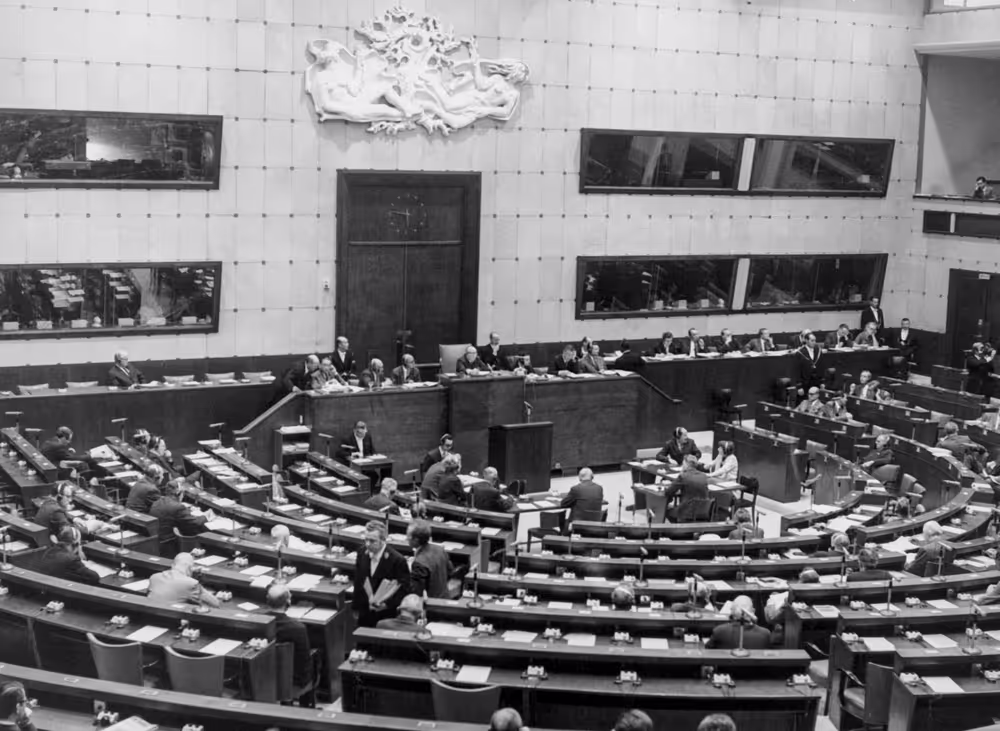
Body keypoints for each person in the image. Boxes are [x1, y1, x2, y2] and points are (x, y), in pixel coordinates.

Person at [353, 520, 410, 627]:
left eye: (372, 541)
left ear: (383, 540)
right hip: (365, 612)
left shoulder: (397, 560)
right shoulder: (361, 553)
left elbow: (404, 589)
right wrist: (356, 608)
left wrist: (386, 605)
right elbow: (358, 580)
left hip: (386, 616)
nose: (367, 544)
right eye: (366, 540)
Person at [266, 583, 313, 700]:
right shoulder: (298, 628)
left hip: (266, 677)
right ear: (288, 602)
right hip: (294, 683)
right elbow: (304, 660)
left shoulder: (260, 622)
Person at [149, 479, 211, 554]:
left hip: (157, 539)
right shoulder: (177, 507)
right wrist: (207, 516)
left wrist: (187, 509)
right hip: (168, 543)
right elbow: (195, 522)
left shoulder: (158, 501)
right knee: (195, 530)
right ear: (178, 493)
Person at [148, 552, 221, 608]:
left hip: (150, 615)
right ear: (190, 568)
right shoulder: (191, 584)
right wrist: (219, 596)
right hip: (173, 620)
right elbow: (215, 603)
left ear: (173, 565)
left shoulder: (154, 577)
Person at [408, 520, 455, 599]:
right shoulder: (440, 549)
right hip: (445, 597)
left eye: (408, 535)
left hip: (431, 604)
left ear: (415, 539)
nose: (406, 538)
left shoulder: (419, 563)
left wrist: (409, 570)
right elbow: (450, 572)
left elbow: (416, 592)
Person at [706, 595, 772, 649]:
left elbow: (708, 649)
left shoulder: (719, 631)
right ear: (753, 611)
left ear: (732, 612)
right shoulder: (765, 634)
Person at [664, 455, 710, 522]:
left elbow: (668, 492)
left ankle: (679, 530)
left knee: (666, 510)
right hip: (703, 511)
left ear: (686, 464)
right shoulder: (704, 476)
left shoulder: (683, 476)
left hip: (687, 512)